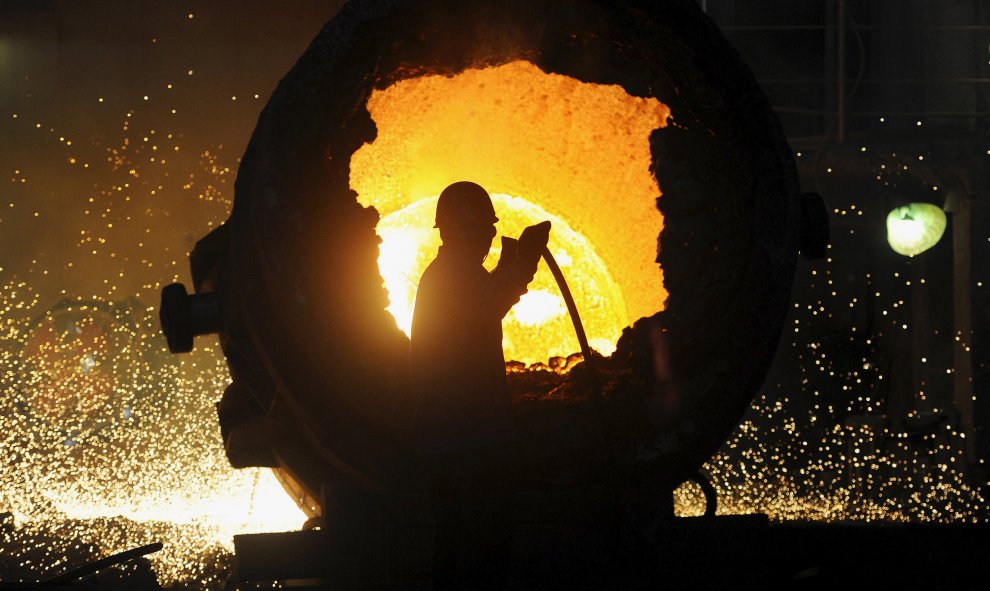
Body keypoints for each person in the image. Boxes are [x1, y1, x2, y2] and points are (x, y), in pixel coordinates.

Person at [409, 181, 550, 590]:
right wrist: (522, 260)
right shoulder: (451, 278)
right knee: (478, 549)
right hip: (467, 441)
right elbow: (489, 301)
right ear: (462, 232)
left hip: (453, 439)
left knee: (458, 544)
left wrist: (518, 260)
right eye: (485, 229)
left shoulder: (451, 276)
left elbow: (489, 297)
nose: (490, 235)